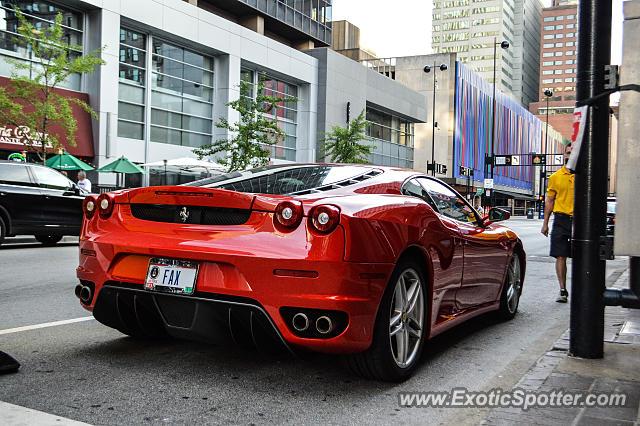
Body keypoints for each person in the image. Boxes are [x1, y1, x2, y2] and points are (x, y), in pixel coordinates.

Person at [541, 143, 574, 303]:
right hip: (561, 220)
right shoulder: (555, 177)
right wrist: (545, 223)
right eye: (568, 152)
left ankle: (584, 289)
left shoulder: (584, 175)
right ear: (564, 155)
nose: (570, 155)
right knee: (561, 256)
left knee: (584, 255)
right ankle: (562, 290)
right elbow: (550, 200)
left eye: (573, 153)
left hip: (581, 222)